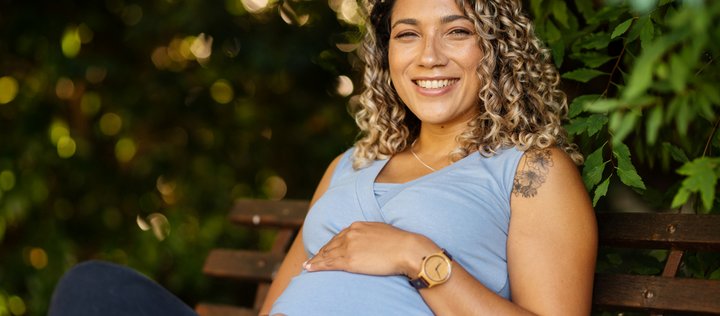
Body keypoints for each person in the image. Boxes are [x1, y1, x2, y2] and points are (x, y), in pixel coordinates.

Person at [261, 0, 597, 315]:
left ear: (497, 47)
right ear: (385, 53)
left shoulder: (533, 170)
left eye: (457, 32)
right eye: (408, 34)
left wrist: (415, 255)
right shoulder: (349, 164)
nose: (429, 57)